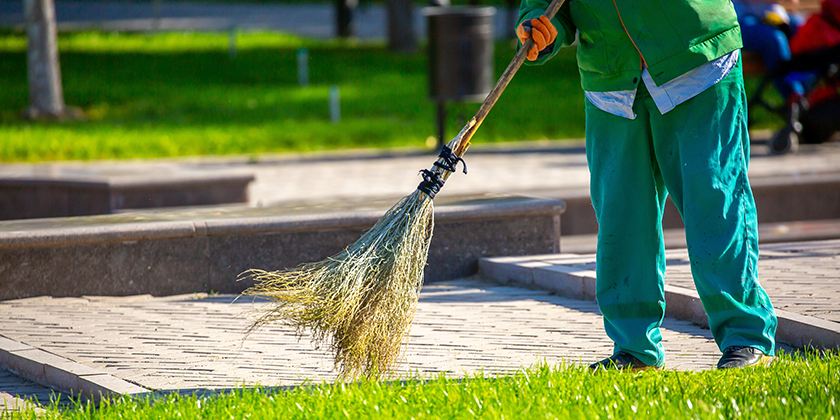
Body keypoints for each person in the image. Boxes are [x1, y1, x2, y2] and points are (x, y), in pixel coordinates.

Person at [515, 0, 778, 370]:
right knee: (622, 221)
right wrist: (541, 28)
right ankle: (633, 348)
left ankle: (746, 336)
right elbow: (545, 7)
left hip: (695, 60)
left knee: (714, 205)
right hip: (611, 78)